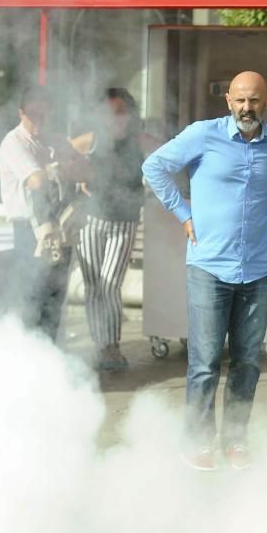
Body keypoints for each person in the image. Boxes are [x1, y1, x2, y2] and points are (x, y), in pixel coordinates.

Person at [142, 70, 267, 471]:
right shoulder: (202, 134)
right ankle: (195, 442)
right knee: (205, 361)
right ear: (228, 100)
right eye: (240, 100)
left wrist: (263, 208)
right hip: (209, 267)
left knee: (247, 362)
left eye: (255, 100)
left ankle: (236, 441)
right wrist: (183, 214)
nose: (247, 107)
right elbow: (153, 166)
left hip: (257, 269)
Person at [70, 88, 161, 372]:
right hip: (91, 219)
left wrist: (157, 185)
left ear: (130, 114)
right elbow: (62, 154)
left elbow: (171, 153)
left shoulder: (139, 140)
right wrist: (78, 179)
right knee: (93, 286)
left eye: (120, 111)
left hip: (125, 221)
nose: (115, 118)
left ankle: (111, 346)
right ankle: (101, 345)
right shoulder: (93, 140)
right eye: (109, 112)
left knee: (109, 284)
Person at [0, 85, 91, 341]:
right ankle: (29, 360)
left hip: (61, 226)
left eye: (44, 113)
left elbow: (87, 170)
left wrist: (57, 169)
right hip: (30, 230)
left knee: (55, 297)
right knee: (32, 297)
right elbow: (37, 180)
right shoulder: (13, 142)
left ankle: (51, 358)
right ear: (21, 113)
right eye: (33, 113)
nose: (39, 119)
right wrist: (61, 169)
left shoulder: (57, 139)